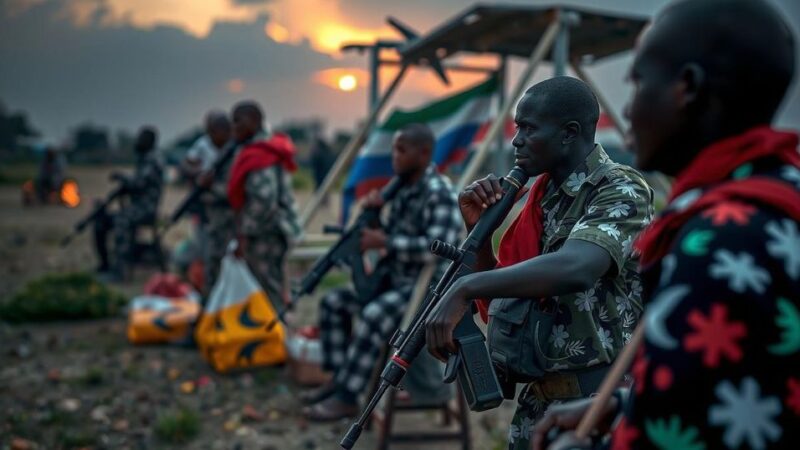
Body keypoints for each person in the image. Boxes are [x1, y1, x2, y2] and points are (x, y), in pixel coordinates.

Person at [532, 1, 800, 449]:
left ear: (686, 88)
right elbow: (727, 386)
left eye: (638, 83)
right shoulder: (774, 200)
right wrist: (626, 407)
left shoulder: (719, 243)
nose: (629, 111)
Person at [424, 77, 654, 450]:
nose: (516, 140)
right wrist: (479, 230)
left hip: (599, 407)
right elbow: (503, 300)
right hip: (540, 404)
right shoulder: (541, 198)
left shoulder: (619, 188)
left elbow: (579, 266)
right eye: (518, 128)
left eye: (528, 128)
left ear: (568, 133)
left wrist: (464, 288)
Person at [302, 123, 462, 421]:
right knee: (333, 302)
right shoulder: (403, 188)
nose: (394, 157)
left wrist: (385, 241)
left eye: (401, 150)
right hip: (395, 282)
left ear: (424, 152)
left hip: (426, 291)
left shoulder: (438, 192)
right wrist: (374, 218)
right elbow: (395, 234)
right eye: (394, 149)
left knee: (375, 314)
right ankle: (339, 380)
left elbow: (440, 246)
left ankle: (349, 397)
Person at [226, 100, 302, 307]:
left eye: (237, 122)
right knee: (269, 287)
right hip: (271, 231)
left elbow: (264, 200)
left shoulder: (259, 153)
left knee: (268, 290)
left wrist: (246, 233)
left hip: (266, 234)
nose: (233, 128)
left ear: (254, 121)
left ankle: (276, 334)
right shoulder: (266, 147)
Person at [94, 127, 163, 280]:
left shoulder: (153, 160)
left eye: (142, 138)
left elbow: (139, 183)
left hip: (146, 209)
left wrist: (121, 178)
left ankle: (120, 272)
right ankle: (105, 264)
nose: (138, 141)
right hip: (135, 208)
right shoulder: (143, 158)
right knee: (100, 219)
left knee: (121, 220)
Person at [181, 111, 231, 291]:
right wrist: (199, 174)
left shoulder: (234, 148)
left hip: (227, 210)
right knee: (207, 252)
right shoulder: (203, 144)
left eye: (213, 132)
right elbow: (187, 163)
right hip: (206, 208)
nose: (210, 137)